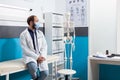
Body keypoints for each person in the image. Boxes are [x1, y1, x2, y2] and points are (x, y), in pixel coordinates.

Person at [20, 15, 48, 80]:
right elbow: (25, 49)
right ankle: (34, 77)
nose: (38, 23)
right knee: (33, 67)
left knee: (45, 73)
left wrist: (42, 56)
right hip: (30, 56)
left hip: (41, 55)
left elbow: (44, 46)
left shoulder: (40, 33)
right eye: (37, 21)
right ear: (31, 22)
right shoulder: (23, 34)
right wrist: (36, 57)